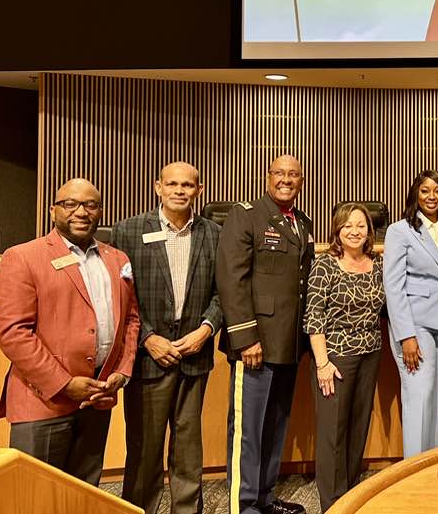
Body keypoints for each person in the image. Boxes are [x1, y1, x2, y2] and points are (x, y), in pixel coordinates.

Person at [0, 178, 140, 484]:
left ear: (100, 211)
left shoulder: (118, 260)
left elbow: (131, 320)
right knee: (34, 498)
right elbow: (13, 332)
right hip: (43, 400)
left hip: (97, 397)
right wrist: (63, 383)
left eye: (90, 204)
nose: (81, 212)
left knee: (83, 494)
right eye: (70, 204)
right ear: (53, 211)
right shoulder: (23, 256)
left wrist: (122, 372)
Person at [112, 162, 222, 514]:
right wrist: (147, 338)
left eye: (187, 185)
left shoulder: (215, 233)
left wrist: (206, 330)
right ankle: (139, 509)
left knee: (189, 449)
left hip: (194, 354)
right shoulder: (128, 231)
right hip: (148, 358)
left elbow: (225, 292)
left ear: (199, 190)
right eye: (172, 184)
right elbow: (120, 296)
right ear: (158, 187)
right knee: (144, 449)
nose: (179, 190)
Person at [216, 155, 314, 514]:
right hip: (255, 343)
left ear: (301, 181)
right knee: (248, 429)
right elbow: (231, 278)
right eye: (279, 173)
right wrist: (245, 338)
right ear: (267, 177)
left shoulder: (302, 222)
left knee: (275, 424)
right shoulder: (246, 214)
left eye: (293, 175)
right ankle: (243, 506)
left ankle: (265, 498)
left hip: (288, 343)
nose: (286, 179)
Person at [384, 169, 438, 458]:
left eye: (437, 191)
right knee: (419, 393)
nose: (431, 196)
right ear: (415, 194)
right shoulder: (400, 231)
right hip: (416, 323)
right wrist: (406, 335)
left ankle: (433, 462)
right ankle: (413, 467)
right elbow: (393, 286)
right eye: (425, 191)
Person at [304, 203, 385, 512]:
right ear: (337, 229)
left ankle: (349, 493)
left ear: (369, 231)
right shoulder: (325, 265)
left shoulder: (377, 264)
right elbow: (314, 317)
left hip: (370, 354)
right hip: (335, 357)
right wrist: (322, 364)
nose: (354, 231)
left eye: (361, 225)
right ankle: (332, 504)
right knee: (332, 433)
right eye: (348, 225)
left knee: (357, 426)